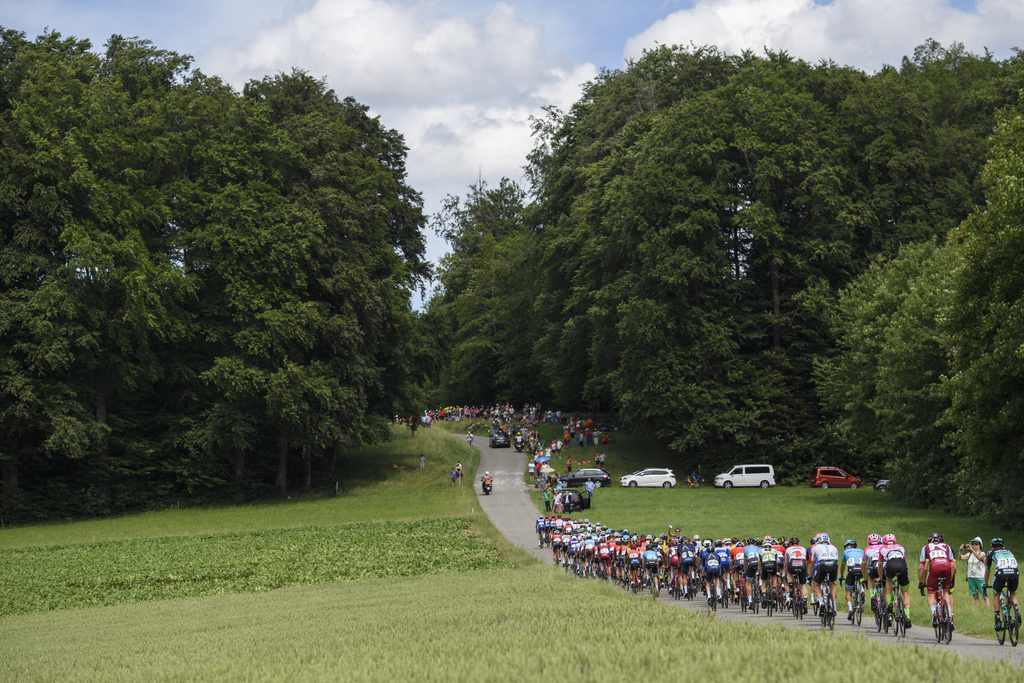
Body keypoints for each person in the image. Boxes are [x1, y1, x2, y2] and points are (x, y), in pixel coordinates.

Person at [919, 532, 956, 629]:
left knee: (931, 593)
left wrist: (921, 582)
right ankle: (949, 616)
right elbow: (954, 567)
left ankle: (934, 612)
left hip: (934, 568)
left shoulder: (926, 547)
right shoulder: (947, 546)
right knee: (946, 592)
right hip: (947, 567)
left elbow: (923, 568)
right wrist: (950, 581)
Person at [982, 538, 1020, 631]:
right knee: (1012, 594)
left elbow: (987, 571)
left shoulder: (991, 553)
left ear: (992, 547)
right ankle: (1017, 613)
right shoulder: (1009, 551)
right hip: (1014, 572)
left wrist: (985, 584)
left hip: (1001, 573)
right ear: (1003, 546)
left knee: (996, 594)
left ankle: (998, 621)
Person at [961, 537, 990, 608]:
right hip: (971, 577)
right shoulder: (970, 554)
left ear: (980, 545)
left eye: (976, 544)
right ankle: (978, 610)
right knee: (975, 596)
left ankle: (987, 611)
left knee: (984, 595)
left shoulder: (982, 553)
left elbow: (980, 558)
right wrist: (960, 551)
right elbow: (960, 558)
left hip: (980, 577)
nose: (974, 545)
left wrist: (972, 550)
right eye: (973, 544)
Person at [842, 539, 864, 621]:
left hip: (852, 569)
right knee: (861, 579)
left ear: (848, 546)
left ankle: (850, 610)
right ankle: (862, 590)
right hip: (862, 568)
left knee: (848, 591)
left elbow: (842, 565)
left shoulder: (846, 552)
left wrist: (841, 576)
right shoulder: (861, 550)